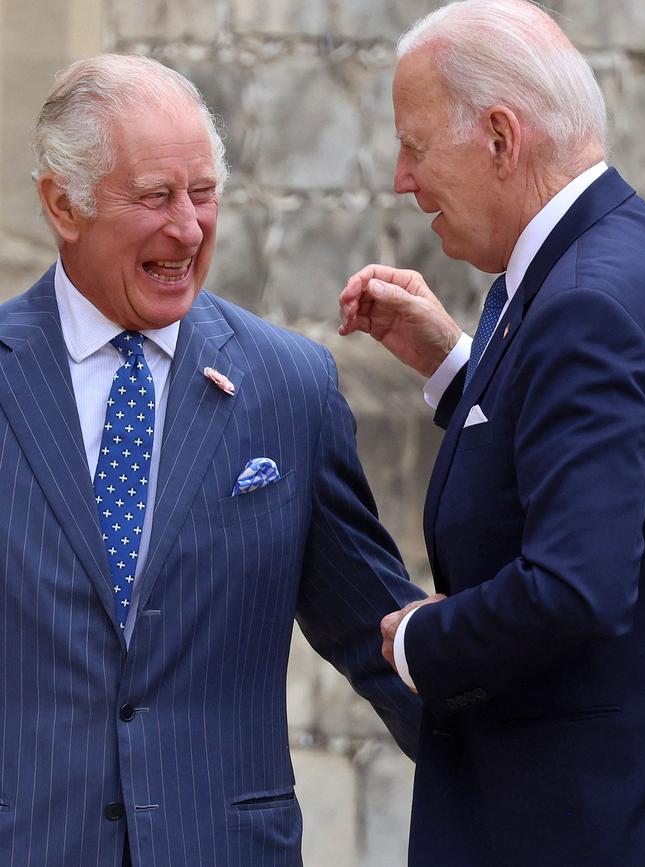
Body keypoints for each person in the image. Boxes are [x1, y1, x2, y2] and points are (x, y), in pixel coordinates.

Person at [0, 54, 423, 867]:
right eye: (156, 197)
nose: (189, 229)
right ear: (63, 204)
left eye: (203, 194)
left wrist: (533, 774)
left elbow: (381, 637)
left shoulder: (288, 388)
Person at [339, 1, 645, 865]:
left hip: (565, 825)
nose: (403, 178)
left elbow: (575, 586)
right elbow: (595, 453)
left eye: (416, 144)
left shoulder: (583, 299)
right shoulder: (601, 256)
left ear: (502, 138)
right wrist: (454, 366)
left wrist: (417, 641)